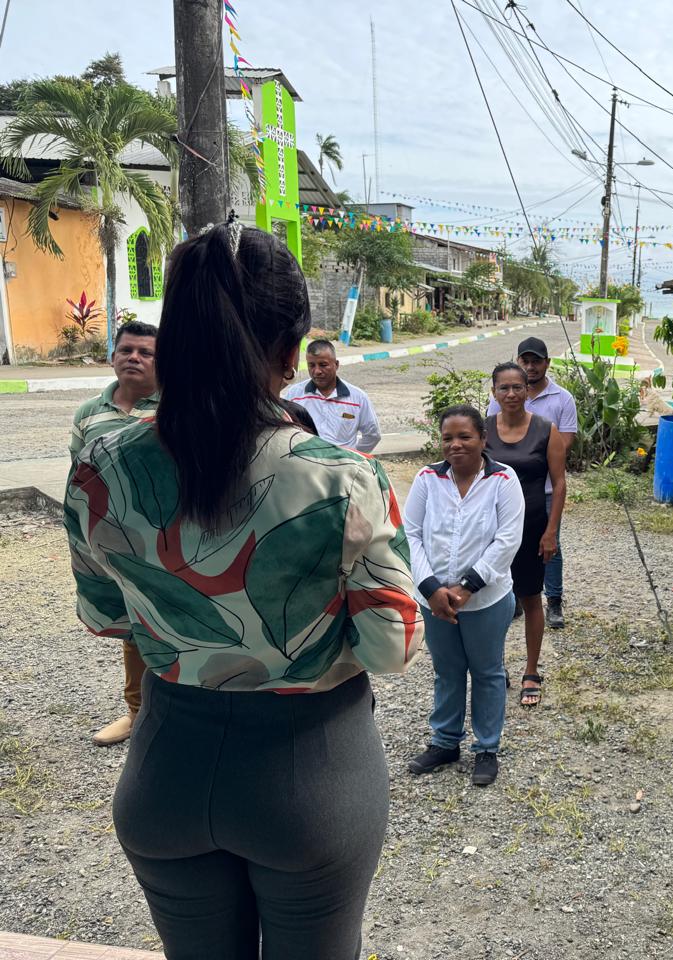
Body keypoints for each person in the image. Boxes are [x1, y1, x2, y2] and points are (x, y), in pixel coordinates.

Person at [64, 222, 424, 960]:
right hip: (312, 776)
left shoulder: (101, 464)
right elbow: (391, 646)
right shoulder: (341, 478)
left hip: (164, 770)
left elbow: (104, 616)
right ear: (292, 354)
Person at [404, 405, 524, 787]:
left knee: (487, 672)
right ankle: (445, 742)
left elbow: (508, 540)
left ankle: (487, 748)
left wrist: (469, 585)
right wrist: (430, 588)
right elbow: (410, 534)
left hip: (486, 600)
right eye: (447, 438)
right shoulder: (427, 479)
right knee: (447, 670)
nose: (455, 444)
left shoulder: (503, 480)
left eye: (464, 437)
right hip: (435, 600)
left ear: (483, 439)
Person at [69, 320, 161, 747]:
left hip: (165, 543)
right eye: (126, 350)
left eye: (146, 353)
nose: (134, 358)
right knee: (130, 625)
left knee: (170, 623)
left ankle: (177, 714)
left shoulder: (177, 408)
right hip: (111, 545)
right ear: (112, 358)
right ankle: (137, 713)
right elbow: (78, 477)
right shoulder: (89, 413)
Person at [485, 363, 566, 708]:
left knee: (531, 598)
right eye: (503, 388)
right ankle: (495, 666)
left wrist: (551, 532)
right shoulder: (483, 430)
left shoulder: (546, 430)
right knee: (491, 601)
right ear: (494, 392)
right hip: (489, 531)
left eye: (517, 387)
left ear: (527, 390)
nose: (511, 394)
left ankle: (531, 671)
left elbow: (559, 484)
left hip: (531, 527)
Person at [486, 336, 577, 629]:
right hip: (503, 496)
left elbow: (564, 444)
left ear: (546, 363)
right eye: (525, 361)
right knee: (503, 547)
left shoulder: (562, 399)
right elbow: (491, 445)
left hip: (542, 490)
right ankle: (512, 597)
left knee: (549, 547)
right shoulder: (497, 403)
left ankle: (554, 600)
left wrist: (534, 451)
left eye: (536, 361)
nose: (530, 366)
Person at [282, 339, 382, 452]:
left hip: (343, 462)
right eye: (311, 365)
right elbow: (284, 430)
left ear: (336, 365)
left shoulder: (358, 398)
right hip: (307, 461)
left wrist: (354, 456)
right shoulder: (294, 395)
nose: (317, 371)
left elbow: (373, 435)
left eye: (323, 365)